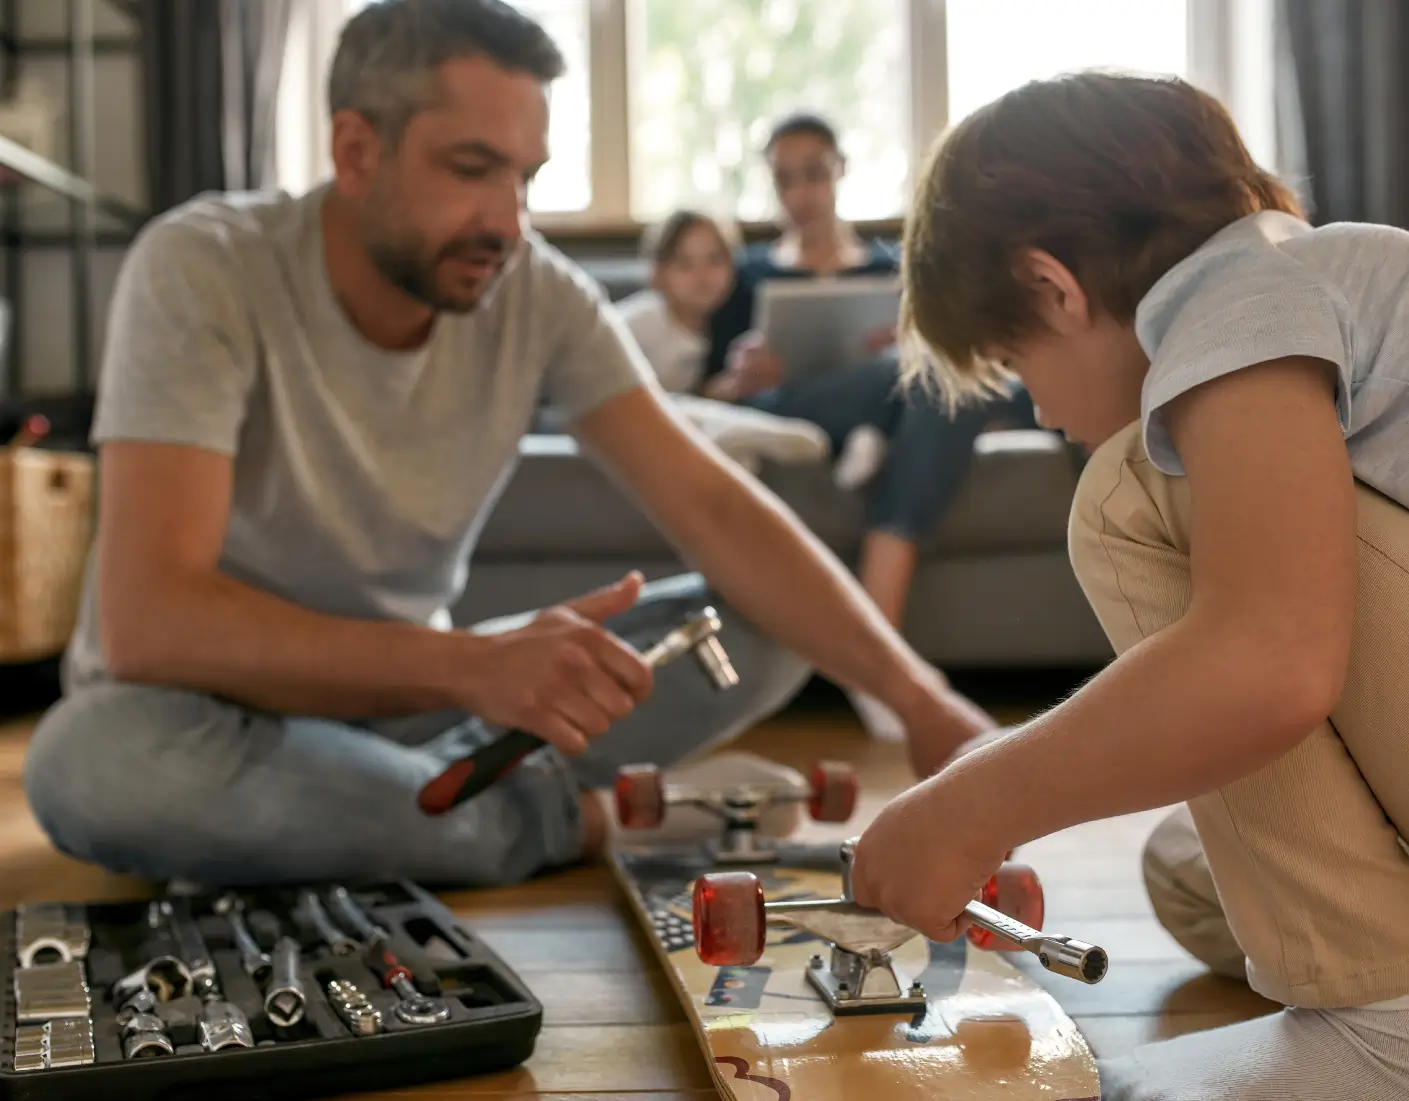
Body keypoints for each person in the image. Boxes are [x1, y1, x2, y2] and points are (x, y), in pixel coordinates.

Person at [20, 0, 998, 891]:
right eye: (470, 168)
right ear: (355, 151)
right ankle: (561, 820)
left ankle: (369, 813)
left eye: (524, 179)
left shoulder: (535, 293)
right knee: (90, 769)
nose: (506, 222)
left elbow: (716, 508)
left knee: (765, 619)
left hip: (423, 705)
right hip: (206, 710)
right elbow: (154, 622)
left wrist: (924, 705)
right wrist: (467, 669)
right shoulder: (203, 265)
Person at [850, 70, 1409, 1100]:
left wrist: (962, 809)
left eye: (1019, 366)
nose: (1042, 412)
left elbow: (1267, 667)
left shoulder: (1238, 302)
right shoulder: (1307, 269)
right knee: (1186, 873)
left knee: (1125, 486)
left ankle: (1381, 1021)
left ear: (1053, 287)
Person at [704, 112, 1041, 739]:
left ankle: (875, 649)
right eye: (785, 180)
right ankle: (887, 658)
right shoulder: (748, 274)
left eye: (813, 175)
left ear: (839, 173)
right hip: (793, 410)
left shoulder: (891, 268)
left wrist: (903, 350)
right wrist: (741, 378)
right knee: (929, 379)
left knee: (934, 378)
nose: (801, 194)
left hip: (891, 395)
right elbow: (708, 393)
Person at [614, 208, 829, 473]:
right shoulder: (643, 319)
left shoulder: (717, 330)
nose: (702, 275)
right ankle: (760, 435)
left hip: (679, 418)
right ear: (659, 272)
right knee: (675, 410)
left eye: (714, 260)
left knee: (736, 452)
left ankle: (741, 440)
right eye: (685, 264)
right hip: (633, 415)